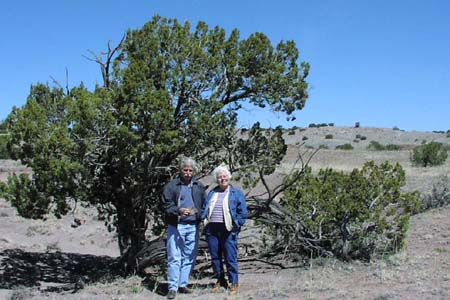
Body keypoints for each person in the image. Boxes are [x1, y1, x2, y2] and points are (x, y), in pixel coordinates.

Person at [162, 157, 206, 299]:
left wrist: (201, 215)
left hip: (193, 225)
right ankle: (172, 288)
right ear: (180, 170)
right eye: (185, 170)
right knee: (174, 256)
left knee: (189, 256)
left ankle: (183, 284)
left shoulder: (198, 186)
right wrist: (179, 210)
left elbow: (204, 204)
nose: (187, 173)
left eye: (190, 170)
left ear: (194, 171)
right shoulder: (172, 186)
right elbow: (165, 204)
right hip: (176, 225)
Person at [201, 165, 247, 295]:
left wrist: (237, 225)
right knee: (215, 257)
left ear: (229, 177)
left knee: (230, 257)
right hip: (212, 229)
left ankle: (234, 283)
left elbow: (242, 212)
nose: (222, 179)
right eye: (220, 177)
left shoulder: (236, 193)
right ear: (216, 179)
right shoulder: (212, 192)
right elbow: (205, 207)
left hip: (228, 229)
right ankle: (220, 280)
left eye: (224, 176)